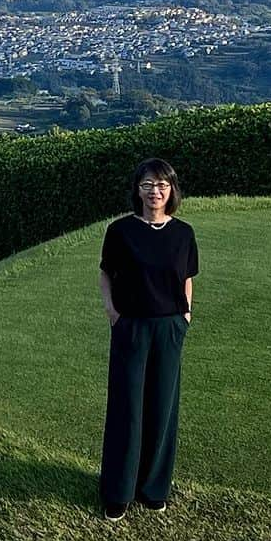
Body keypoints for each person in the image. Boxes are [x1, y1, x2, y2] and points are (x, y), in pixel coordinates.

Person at [98, 157, 198, 521]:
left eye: (162, 185)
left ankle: (154, 488)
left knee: (162, 407)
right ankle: (118, 492)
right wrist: (113, 313)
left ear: (171, 190)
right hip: (132, 327)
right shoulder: (120, 231)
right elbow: (106, 274)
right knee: (127, 407)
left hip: (169, 328)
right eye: (147, 185)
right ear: (137, 190)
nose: (155, 191)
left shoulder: (183, 233)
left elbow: (187, 277)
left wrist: (185, 316)